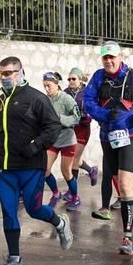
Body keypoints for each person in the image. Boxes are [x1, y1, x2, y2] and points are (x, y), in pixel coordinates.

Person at [0, 56, 73, 265]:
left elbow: (52, 127)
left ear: (20, 73)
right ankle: (14, 260)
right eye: (1, 73)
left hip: (31, 167)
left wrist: (35, 146)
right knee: (8, 212)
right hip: (6, 168)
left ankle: (59, 223)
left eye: (8, 73)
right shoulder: (2, 100)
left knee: (33, 209)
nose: (3, 78)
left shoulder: (36, 98)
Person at [84, 41, 133, 255]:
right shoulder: (98, 77)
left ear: (120, 57)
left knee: (124, 185)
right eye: (105, 57)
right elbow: (87, 102)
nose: (109, 61)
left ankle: (127, 236)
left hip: (131, 135)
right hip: (108, 136)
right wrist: (104, 115)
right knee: (120, 184)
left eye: (112, 57)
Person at [42, 71, 82, 210]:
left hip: (67, 139)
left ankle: (75, 197)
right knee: (45, 169)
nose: (46, 89)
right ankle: (55, 194)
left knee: (66, 171)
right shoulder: (45, 99)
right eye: (45, 86)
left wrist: (61, 119)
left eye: (49, 86)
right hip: (52, 139)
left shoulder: (67, 99)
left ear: (56, 84)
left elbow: (77, 118)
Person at [64, 67, 99, 186]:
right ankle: (91, 170)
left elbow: (93, 107)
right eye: (69, 79)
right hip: (70, 130)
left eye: (73, 78)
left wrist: (86, 116)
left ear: (80, 79)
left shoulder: (87, 92)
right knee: (73, 158)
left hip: (82, 129)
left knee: (73, 159)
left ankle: (72, 192)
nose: (71, 81)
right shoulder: (65, 92)